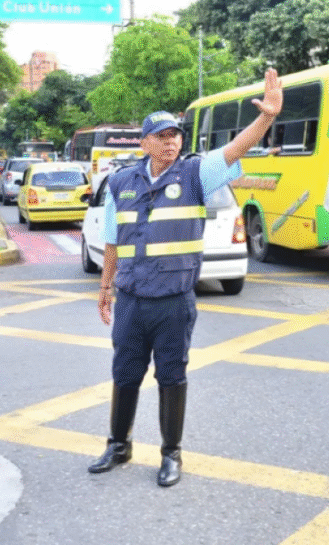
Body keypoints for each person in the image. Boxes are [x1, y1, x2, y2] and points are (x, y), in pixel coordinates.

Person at [88, 69, 283, 487]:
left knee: (172, 376)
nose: (171, 142)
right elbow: (112, 241)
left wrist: (266, 117)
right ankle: (118, 445)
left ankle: (171, 454)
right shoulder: (120, 182)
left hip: (173, 301)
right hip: (131, 300)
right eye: (161, 136)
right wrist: (105, 287)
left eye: (175, 135)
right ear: (144, 143)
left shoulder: (196, 174)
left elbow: (234, 149)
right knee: (125, 374)